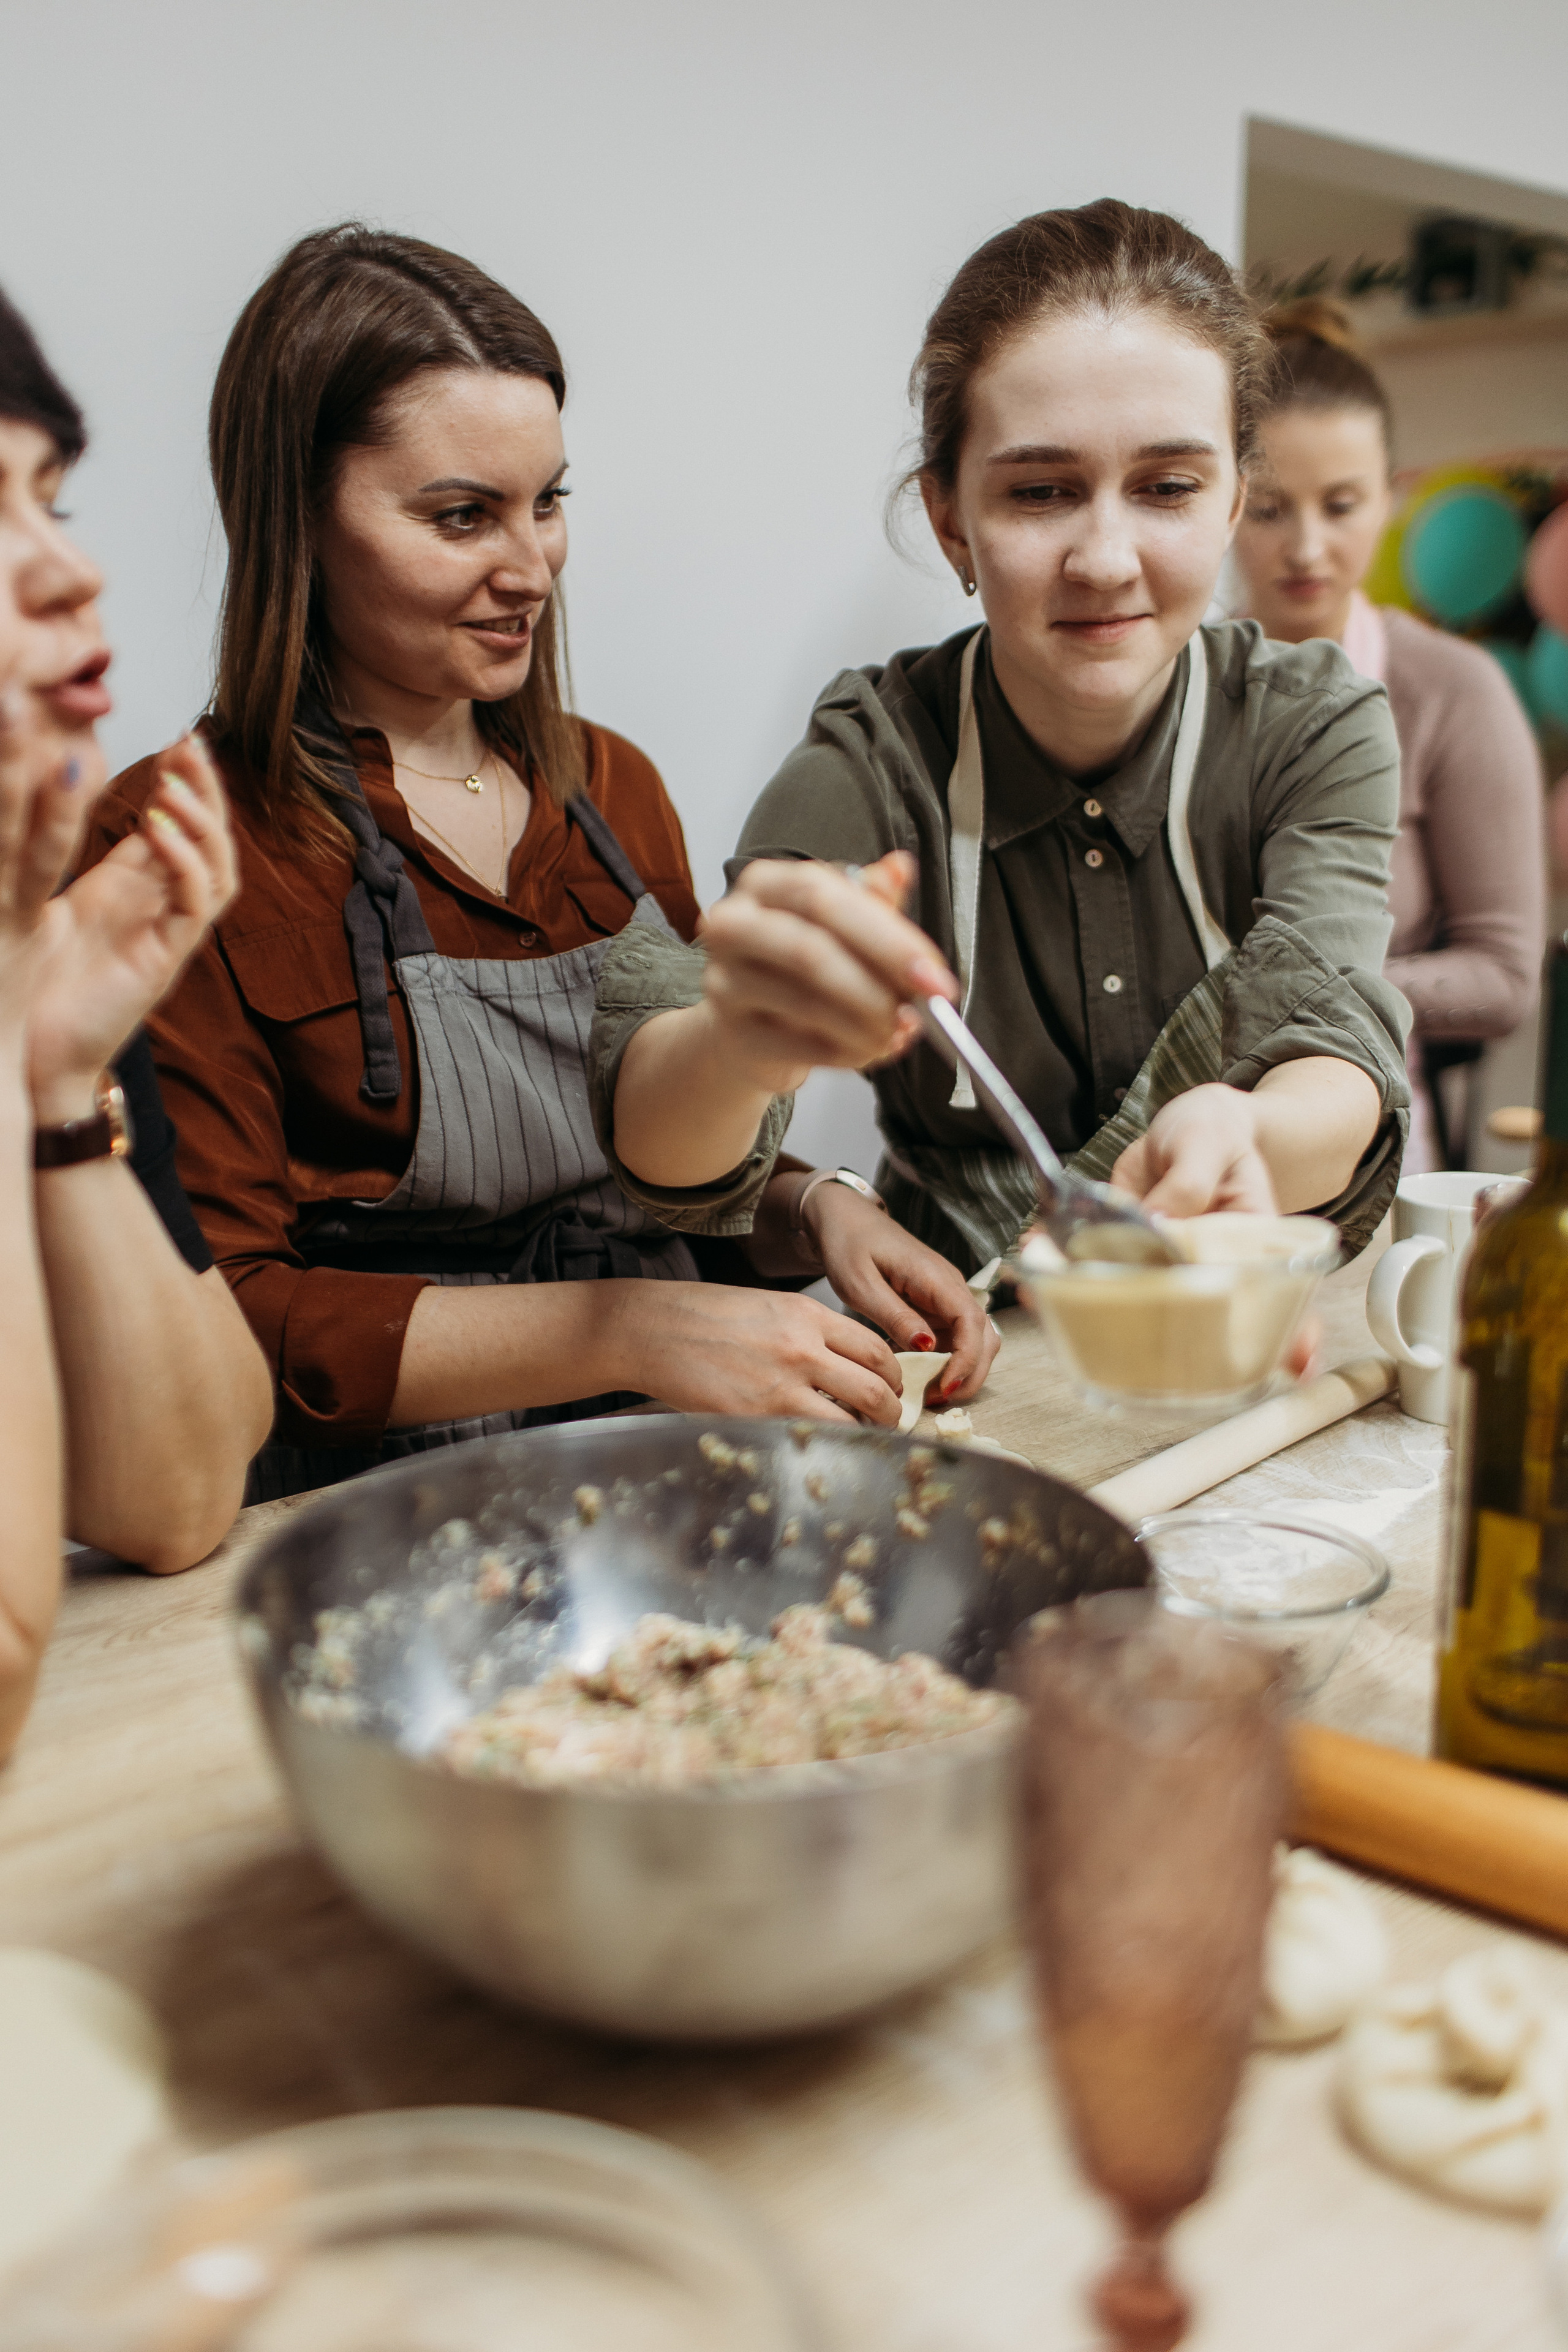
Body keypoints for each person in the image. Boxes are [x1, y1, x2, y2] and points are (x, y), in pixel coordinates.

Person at [91, 227, 993, 1504]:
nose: (531, 571)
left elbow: (655, 1168)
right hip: (380, 1511)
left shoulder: (609, 790)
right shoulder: (171, 848)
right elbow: (228, 1321)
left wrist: (816, 1210)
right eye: (462, 517)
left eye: (548, 503)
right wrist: (623, 1328)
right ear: (294, 513)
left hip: (654, 1478)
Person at [596, 202, 1411, 1275]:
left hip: (1236, 1315)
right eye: (1040, 492)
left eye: (1168, 488)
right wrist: (738, 1043)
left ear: (1232, 505)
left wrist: (1241, 1129)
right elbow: (666, 1149)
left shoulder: (1312, 725)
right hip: (968, 1327)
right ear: (950, 520)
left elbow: (1337, 1056)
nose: (1106, 559)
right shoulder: (876, 756)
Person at [0, 290, 273, 1752]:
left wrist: (55, 1082)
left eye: (49, 501)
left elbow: (178, 1496)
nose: (70, 569)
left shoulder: (47, 937)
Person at [1229, 298, 1545, 1170]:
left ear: (1391, 496)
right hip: (1170, 1136)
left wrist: (1300, 991)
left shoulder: (1452, 691)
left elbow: (1506, 976)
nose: (1307, 547)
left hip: (1370, 1156)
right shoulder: (1174, 678)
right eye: (1270, 510)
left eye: (1340, 505)